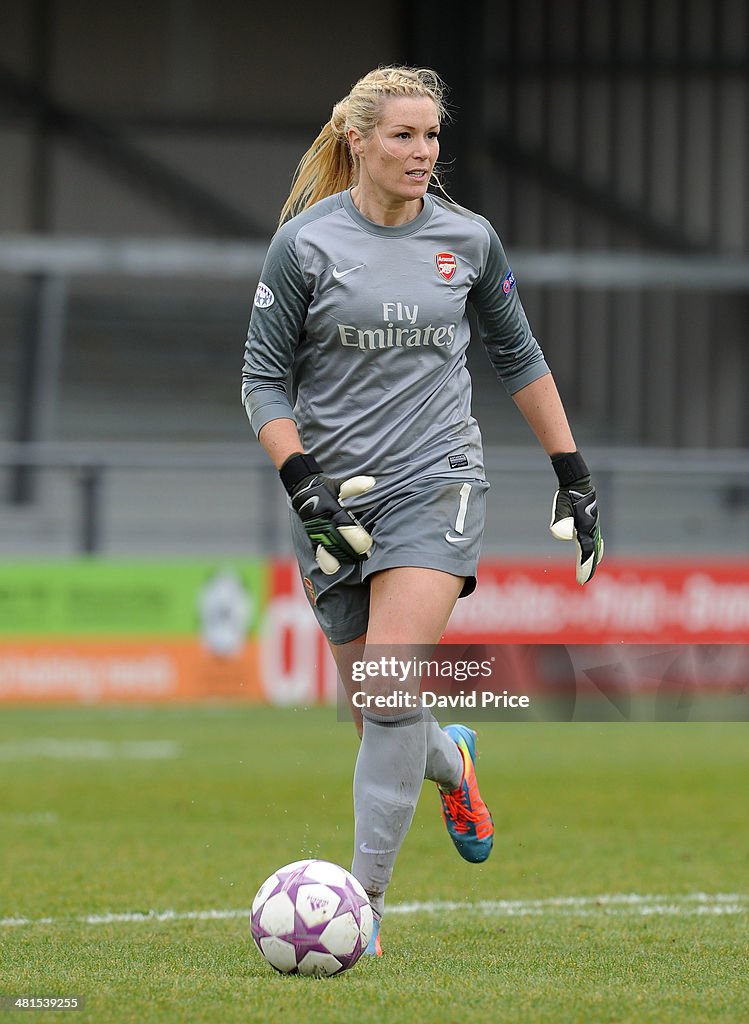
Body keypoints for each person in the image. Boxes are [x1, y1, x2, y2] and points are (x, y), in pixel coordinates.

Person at [242, 65, 603, 958]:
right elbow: (260, 379)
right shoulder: (304, 245)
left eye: (432, 136)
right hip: (332, 497)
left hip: (439, 478)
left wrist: (572, 472)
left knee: (390, 683)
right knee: (382, 714)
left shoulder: (468, 241)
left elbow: (517, 357)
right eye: (403, 136)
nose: (422, 152)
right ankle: (454, 761)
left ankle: (358, 905)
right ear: (358, 140)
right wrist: (303, 483)